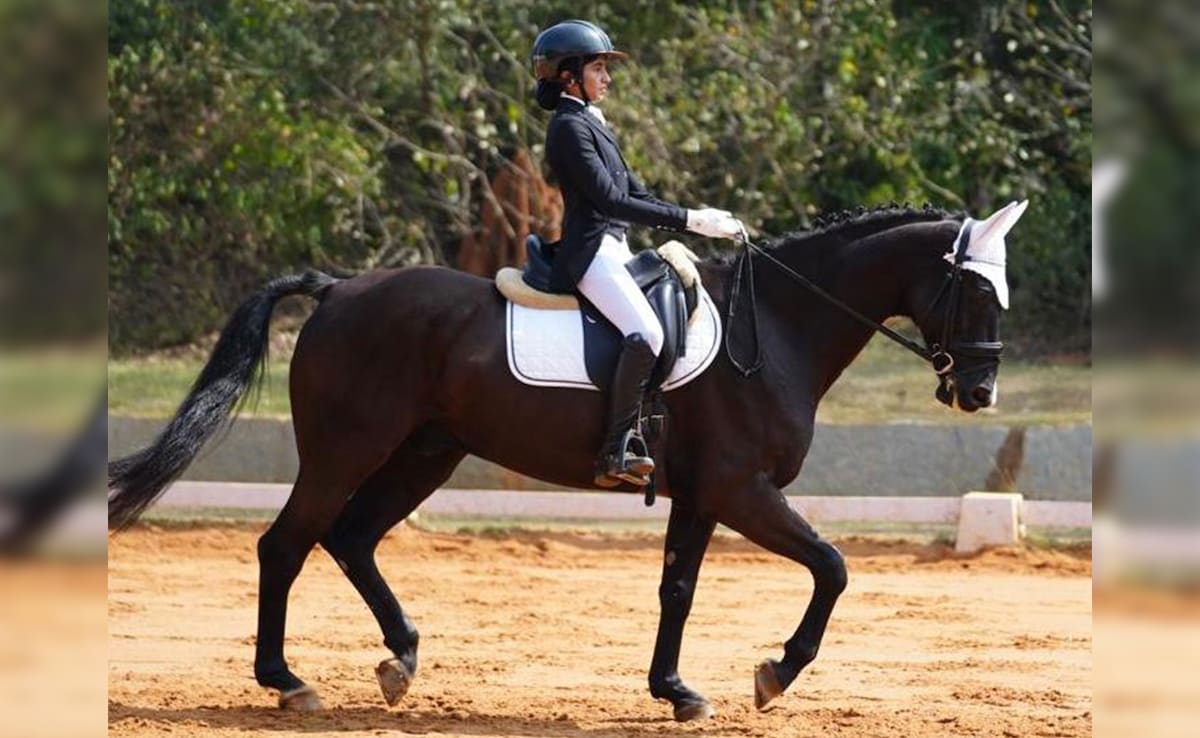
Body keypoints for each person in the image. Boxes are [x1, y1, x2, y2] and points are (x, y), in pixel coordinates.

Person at [531, 19, 745, 488]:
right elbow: (610, 200)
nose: (607, 78)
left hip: (617, 246)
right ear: (570, 75)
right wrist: (690, 220)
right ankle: (617, 446)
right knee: (645, 332)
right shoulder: (568, 127)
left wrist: (699, 217)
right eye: (599, 68)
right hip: (590, 252)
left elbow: (637, 193)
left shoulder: (593, 122)